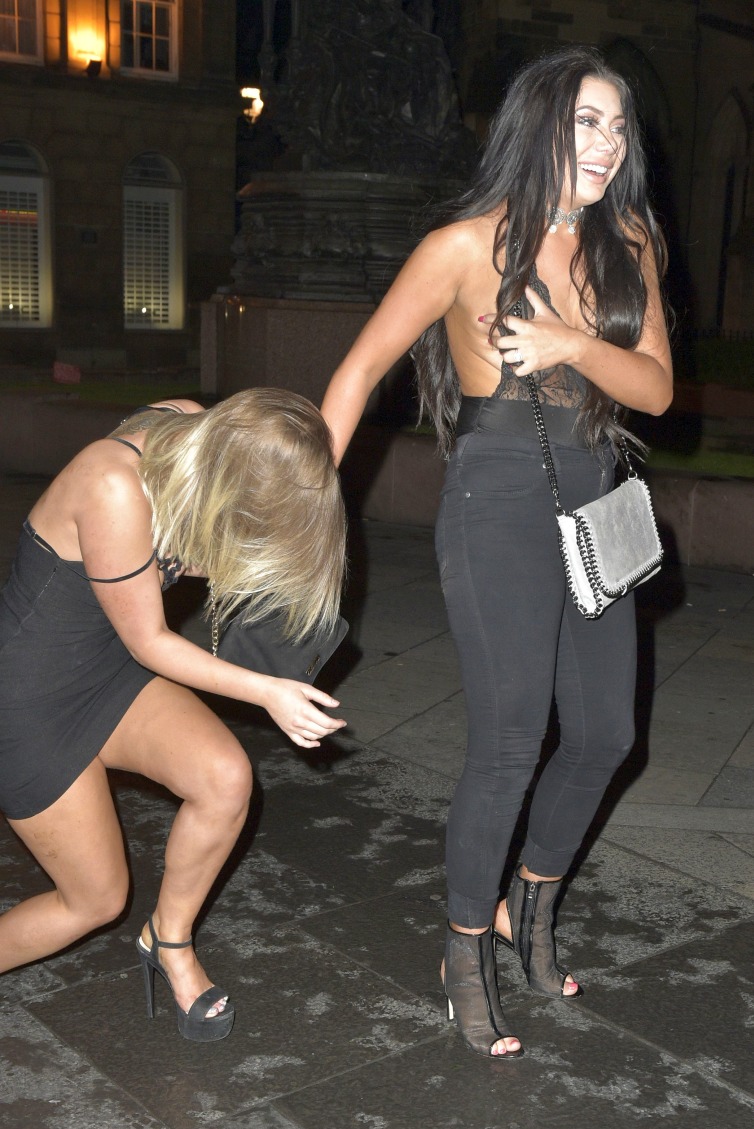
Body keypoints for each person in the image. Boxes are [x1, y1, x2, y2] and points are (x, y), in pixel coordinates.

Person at [321, 46, 672, 1058]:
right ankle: (464, 947)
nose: (607, 144)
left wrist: (571, 346)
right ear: (538, 125)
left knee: (604, 735)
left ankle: (531, 902)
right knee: (512, 741)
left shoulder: (629, 241)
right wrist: (306, 507)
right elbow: (358, 373)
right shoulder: (463, 246)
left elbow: (654, 389)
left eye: (617, 127)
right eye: (586, 123)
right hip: (498, 500)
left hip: (596, 494)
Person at [0, 388, 347, 1041]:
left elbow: (179, 562)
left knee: (224, 778)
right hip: (29, 698)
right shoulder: (113, 484)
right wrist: (268, 690)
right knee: (94, 900)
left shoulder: (196, 431)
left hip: (105, 669)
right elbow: (150, 642)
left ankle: (170, 939)